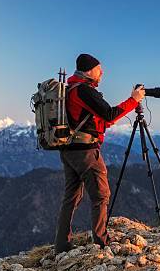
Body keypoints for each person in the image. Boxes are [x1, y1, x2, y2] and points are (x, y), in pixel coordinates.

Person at [54, 53, 145, 253]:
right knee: (101, 195)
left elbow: (97, 119)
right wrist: (133, 100)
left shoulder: (71, 90)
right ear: (89, 70)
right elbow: (109, 113)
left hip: (68, 150)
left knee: (71, 197)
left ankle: (61, 245)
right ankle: (102, 243)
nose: (102, 72)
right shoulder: (84, 90)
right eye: (99, 69)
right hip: (86, 152)